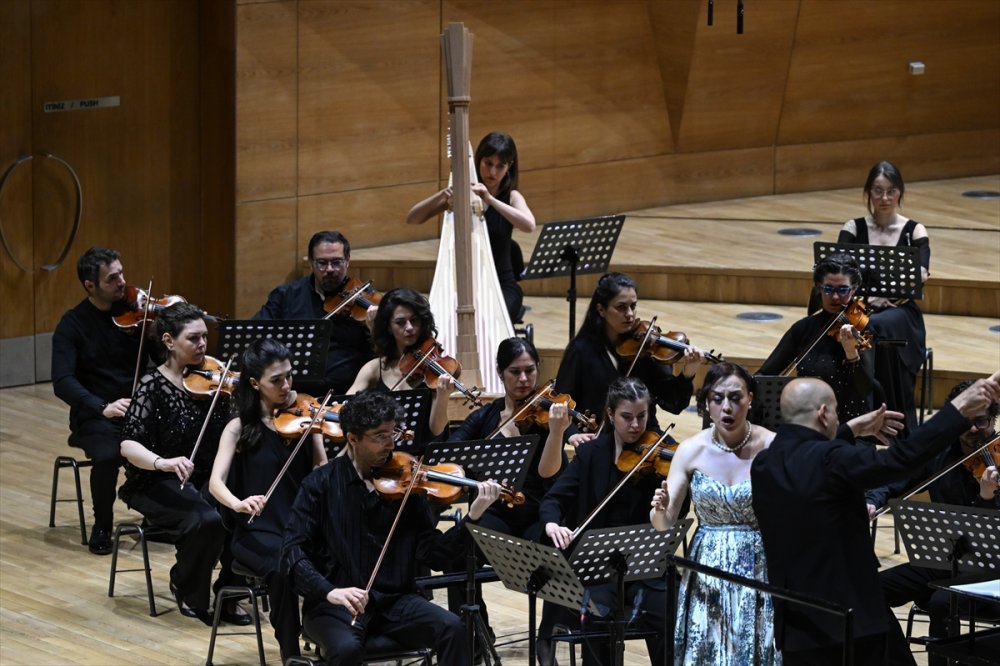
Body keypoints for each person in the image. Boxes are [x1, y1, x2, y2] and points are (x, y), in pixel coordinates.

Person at [750, 372, 1000, 666]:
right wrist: (958, 409)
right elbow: (899, 460)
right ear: (824, 413)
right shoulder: (834, 460)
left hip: (797, 623)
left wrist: (851, 428)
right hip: (851, 618)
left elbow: (807, 453)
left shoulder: (764, 465)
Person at [279, 389, 503, 666]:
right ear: (352, 439)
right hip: (334, 606)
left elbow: (434, 553)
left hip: (396, 602)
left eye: (393, 434)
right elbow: (292, 552)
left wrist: (474, 516)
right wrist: (329, 591)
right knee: (346, 649)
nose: (390, 444)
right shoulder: (319, 485)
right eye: (380, 437)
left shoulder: (407, 485)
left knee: (454, 629)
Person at [119, 302, 248, 626]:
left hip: (208, 474)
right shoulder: (152, 386)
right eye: (193, 339)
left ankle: (229, 590)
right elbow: (128, 443)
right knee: (205, 520)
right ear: (168, 341)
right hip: (155, 480)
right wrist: (162, 462)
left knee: (241, 510)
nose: (203, 345)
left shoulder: (216, 380)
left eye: (205, 337)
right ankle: (187, 584)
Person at [446, 337, 571, 662]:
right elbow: (451, 454)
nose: (525, 380)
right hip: (494, 515)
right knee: (459, 548)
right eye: (515, 372)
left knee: (561, 548)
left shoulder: (547, 418)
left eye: (530, 371)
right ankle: (476, 633)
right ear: (500, 373)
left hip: (535, 516)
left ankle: (547, 639)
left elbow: (548, 476)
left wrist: (557, 433)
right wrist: (480, 461)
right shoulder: (485, 419)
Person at [650, 363, 780, 665]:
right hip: (707, 565)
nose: (727, 407)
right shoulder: (690, 450)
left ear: (750, 398)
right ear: (706, 403)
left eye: (736, 397)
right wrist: (659, 509)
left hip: (758, 563)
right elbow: (663, 523)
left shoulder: (773, 446)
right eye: (718, 398)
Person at [209, 338, 328, 661]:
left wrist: (321, 437)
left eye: (290, 376)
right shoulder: (238, 428)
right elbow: (215, 483)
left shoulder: (305, 418)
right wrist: (237, 503)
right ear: (254, 383)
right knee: (282, 568)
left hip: (301, 527)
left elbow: (321, 467)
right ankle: (290, 652)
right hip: (255, 533)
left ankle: (331, 638)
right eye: (276, 380)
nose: (287, 385)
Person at [539, 377, 668, 666]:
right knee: (597, 614)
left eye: (641, 417)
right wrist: (552, 525)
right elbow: (553, 500)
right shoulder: (589, 454)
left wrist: (669, 500)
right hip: (596, 569)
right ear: (610, 415)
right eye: (626, 417)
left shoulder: (657, 457)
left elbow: (674, 515)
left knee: (668, 610)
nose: (635, 426)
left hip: (642, 568)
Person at [871, 379, 999, 665]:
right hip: (945, 559)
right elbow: (896, 479)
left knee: (943, 602)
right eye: (966, 422)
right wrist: (872, 500)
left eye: (982, 422)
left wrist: (987, 498)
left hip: (993, 566)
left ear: (993, 419)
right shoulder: (941, 454)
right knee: (870, 590)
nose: (974, 430)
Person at [51, 247, 148, 555]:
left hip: (140, 410)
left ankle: (160, 516)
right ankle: (103, 525)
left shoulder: (137, 314)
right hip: (96, 416)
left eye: (121, 273)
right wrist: (100, 407)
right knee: (107, 455)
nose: (122, 282)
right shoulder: (73, 325)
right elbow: (62, 381)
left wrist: (163, 333)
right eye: (112, 278)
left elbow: (162, 360)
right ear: (90, 285)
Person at [555, 272, 703, 447]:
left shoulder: (646, 348)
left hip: (645, 437)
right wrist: (571, 435)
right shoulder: (581, 350)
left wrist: (687, 374)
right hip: (599, 439)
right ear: (601, 310)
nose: (630, 314)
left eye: (633, 306)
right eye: (621, 307)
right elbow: (560, 401)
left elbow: (673, 404)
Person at [838, 160, 930, 437]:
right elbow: (836, 270)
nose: (884, 198)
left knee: (874, 326)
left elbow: (922, 273)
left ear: (900, 193)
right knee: (842, 322)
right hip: (859, 307)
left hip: (899, 311)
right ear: (868, 193)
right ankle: (847, 416)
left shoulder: (914, 230)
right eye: (878, 191)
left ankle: (875, 410)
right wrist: (869, 297)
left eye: (891, 191)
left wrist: (885, 294)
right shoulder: (853, 228)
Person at [406, 131, 535, 323]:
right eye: (488, 163)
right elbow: (413, 219)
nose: (492, 172)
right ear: (478, 160)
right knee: (438, 320)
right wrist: (442, 194)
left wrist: (489, 199)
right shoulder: (462, 194)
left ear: (509, 167)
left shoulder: (512, 197)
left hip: (502, 285)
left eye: (500, 166)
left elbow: (529, 225)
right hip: (460, 284)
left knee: (491, 319)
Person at [757, 252, 875, 423]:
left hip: (850, 427)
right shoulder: (802, 329)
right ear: (819, 288)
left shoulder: (863, 329)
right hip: (807, 421)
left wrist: (851, 353)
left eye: (843, 290)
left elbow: (865, 389)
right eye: (828, 289)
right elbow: (765, 374)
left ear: (854, 289)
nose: (835, 297)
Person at [253, 230, 374, 395]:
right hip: (293, 392)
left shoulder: (365, 300)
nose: (330, 269)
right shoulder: (286, 296)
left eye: (337, 262)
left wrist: (375, 327)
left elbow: (382, 353)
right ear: (311, 263)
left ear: (348, 261)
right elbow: (256, 334)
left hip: (347, 392)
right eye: (322, 263)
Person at [347, 287, 453, 446]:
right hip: (383, 455)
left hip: (423, 456)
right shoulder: (375, 368)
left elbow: (436, 430)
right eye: (400, 322)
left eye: (414, 320)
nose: (409, 327)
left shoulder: (434, 367)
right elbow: (345, 408)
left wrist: (443, 396)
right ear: (388, 327)